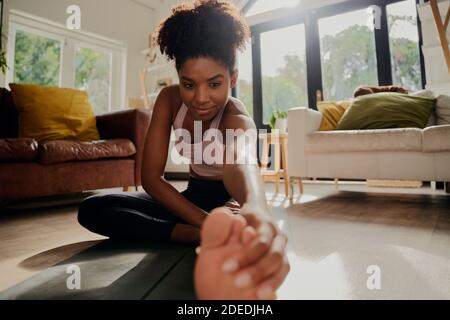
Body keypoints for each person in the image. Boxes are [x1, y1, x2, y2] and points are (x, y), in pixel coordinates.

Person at [78, 0, 290, 300]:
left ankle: (209, 230)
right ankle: (198, 235)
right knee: (94, 207)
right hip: (190, 199)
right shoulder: (168, 99)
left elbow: (241, 165)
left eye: (214, 84)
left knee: (230, 218)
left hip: (227, 204)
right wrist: (204, 225)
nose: (200, 98)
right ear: (179, 78)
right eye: (189, 84)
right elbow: (151, 178)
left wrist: (256, 207)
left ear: (232, 78)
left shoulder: (236, 117)